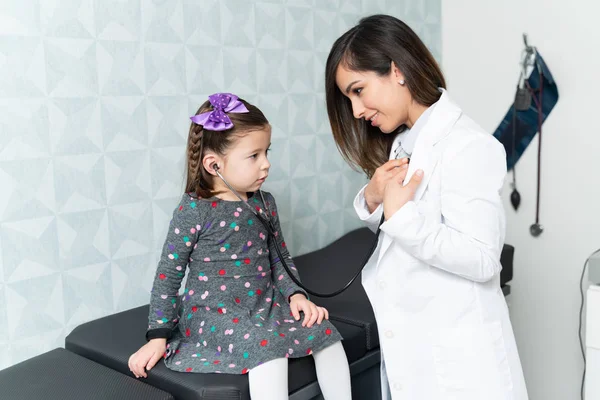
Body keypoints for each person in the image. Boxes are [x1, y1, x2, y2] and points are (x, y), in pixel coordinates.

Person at [325, 14, 529, 400]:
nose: (355, 111)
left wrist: (401, 216)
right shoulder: (405, 141)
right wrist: (372, 199)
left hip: (462, 370)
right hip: (418, 360)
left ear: (397, 71)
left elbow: (483, 258)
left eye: (358, 90)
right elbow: (406, 240)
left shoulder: (468, 145)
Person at [128, 93, 351, 400]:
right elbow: (167, 278)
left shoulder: (264, 203)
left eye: (266, 152)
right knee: (267, 351)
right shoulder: (194, 211)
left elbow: (279, 259)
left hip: (264, 305)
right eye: (254, 156)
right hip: (211, 314)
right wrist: (157, 337)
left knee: (325, 334)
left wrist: (296, 295)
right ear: (214, 164)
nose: (267, 164)